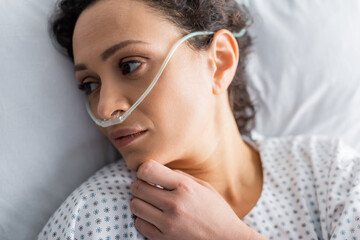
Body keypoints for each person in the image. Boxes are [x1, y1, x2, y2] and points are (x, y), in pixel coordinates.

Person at [38, 0, 360, 239]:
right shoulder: (90, 218)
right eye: (90, 85)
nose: (105, 109)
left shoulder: (329, 173)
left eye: (130, 66)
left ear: (219, 62)